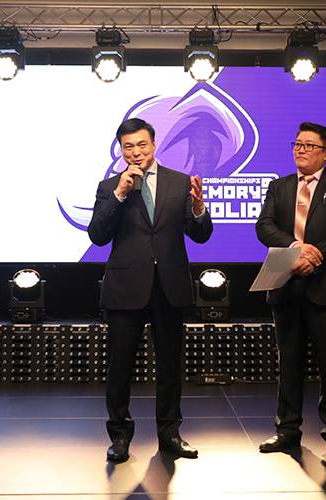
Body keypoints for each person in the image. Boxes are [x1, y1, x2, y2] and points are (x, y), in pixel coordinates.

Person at [88, 118, 213, 463]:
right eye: (128, 147)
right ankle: (119, 436)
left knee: (170, 366)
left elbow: (201, 235)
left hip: (169, 286)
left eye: (142, 144)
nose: (136, 152)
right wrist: (119, 194)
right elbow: (97, 235)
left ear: (154, 145)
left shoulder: (179, 182)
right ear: (121, 150)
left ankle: (170, 434)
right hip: (125, 287)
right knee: (120, 367)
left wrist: (199, 208)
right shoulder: (110, 186)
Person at [254, 121, 326, 461]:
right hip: (286, 285)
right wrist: (296, 248)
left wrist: (315, 255)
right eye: (297, 144)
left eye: (309, 145)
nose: (300, 150)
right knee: (289, 363)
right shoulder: (279, 186)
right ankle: (287, 430)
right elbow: (264, 226)